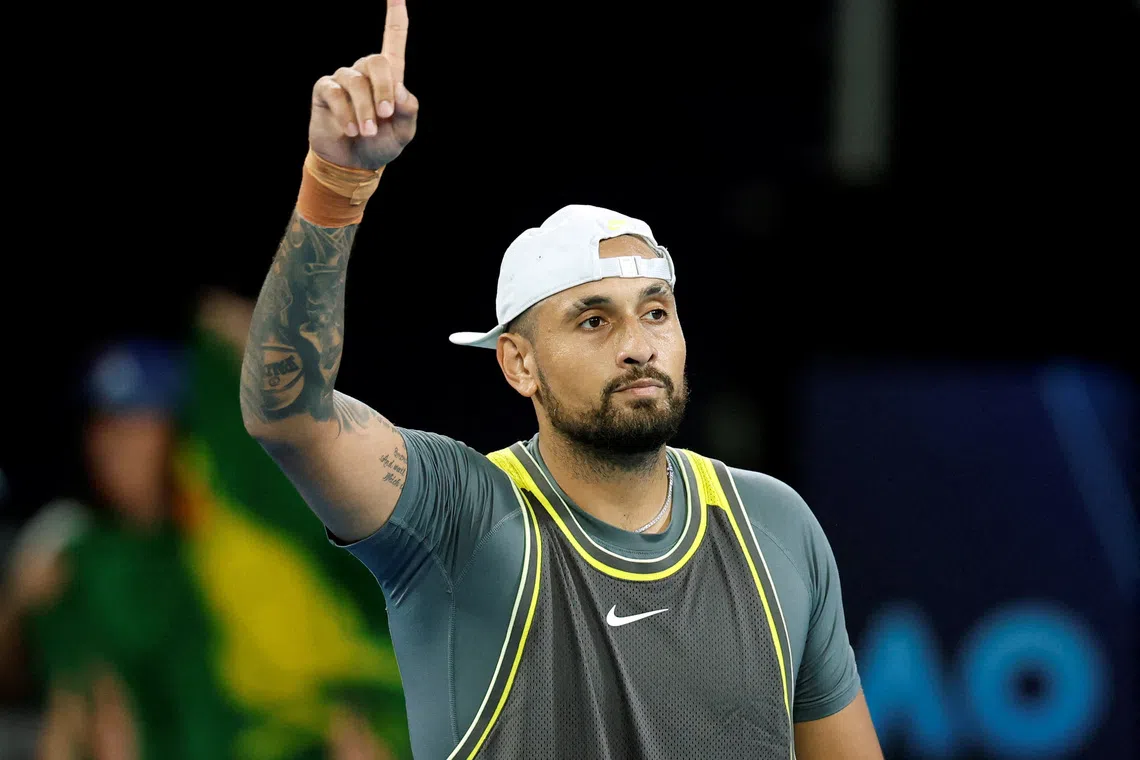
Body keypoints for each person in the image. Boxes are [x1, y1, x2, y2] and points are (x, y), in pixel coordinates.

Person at [239, 1, 884, 758]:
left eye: (655, 313)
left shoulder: (776, 525)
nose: (639, 346)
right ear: (518, 362)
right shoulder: (465, 516)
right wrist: (337, 181)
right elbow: (286, 415)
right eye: (593, 321)